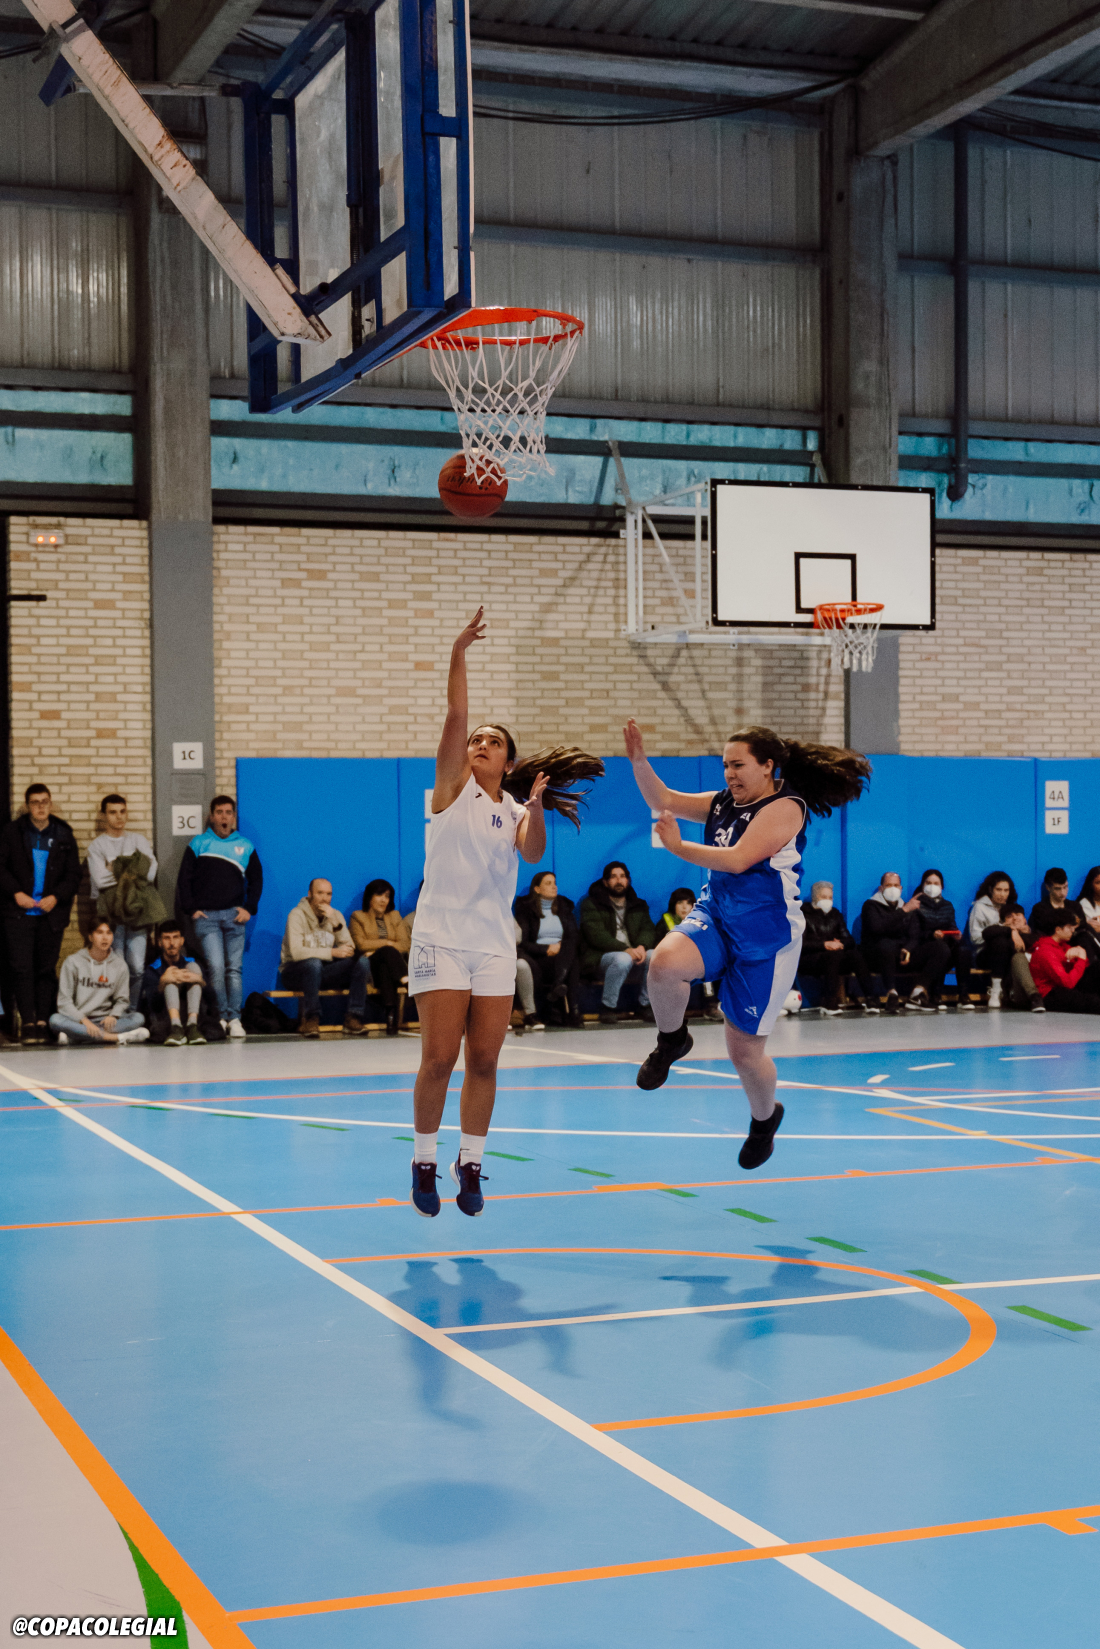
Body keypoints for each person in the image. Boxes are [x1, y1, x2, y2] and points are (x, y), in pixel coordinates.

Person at [408, 606, 602, 1219]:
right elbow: (455, 714)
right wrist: (458, 651)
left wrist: (537, 808)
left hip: (493, 943)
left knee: (486, 1059)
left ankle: (469, 1163)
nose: (480, 744)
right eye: (477, 740)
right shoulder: (450, 789)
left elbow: (534, 851)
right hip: (440, 938)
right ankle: (423, 1160)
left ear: (510, 763)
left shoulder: (517, 810)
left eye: (493, 742)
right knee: (439, 1059)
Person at [624, 719, 870, 1169]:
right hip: (718, 916)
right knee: (664, 963)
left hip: (766, 939)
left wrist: (678, 848)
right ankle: (671, 1041)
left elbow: (738, 860)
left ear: (767, 766)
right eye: (725, 765)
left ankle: (764, 1120)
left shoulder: (786, 807)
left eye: (738, 765)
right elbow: (663, 800)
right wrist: (639, 761)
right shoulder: (722, 802)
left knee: (744, 1054)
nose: (729, 774)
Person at [0, 783, 81, 1043]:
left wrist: (56, 897)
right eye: (35, 802)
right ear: (27, 806)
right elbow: (1, 868)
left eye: (44, 801)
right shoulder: (12, 832)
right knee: (21, 968)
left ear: (51, 803)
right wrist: (16, 893)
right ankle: (28, 1022)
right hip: (18, 913)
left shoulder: (63, 833)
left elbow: (73, 874)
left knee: (46, 969)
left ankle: (44, 1021)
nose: (40, 807)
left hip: (51, 914)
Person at [177, 796, 262, 1040]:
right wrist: (191, 909)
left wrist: (249, 908)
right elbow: (184, 879)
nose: (224, 817)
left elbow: (257, 880)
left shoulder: (245, 846)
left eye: (228, 812)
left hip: (235, 917)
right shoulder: (199, 843)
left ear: (234, 816)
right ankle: (220, 1017)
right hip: (207, 918)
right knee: (215, 967)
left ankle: (234, 1018)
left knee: (234, 969)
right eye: (219, 812)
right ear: (212, 816)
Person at [87, 794, 161, 1008]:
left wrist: (115, 867)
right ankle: (116, 1012)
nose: (119, 817)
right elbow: (100, 880)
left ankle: (132, 1011)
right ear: (104, 816)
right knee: (116, 966)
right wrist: (134, 869)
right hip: (111, 913)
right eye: (113, 812)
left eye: (122, 811)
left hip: (138, 910)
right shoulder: (97, 846)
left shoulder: (138, 840)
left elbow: (151, 872)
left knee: (136, 967)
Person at [281, 878, 372, 1038]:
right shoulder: (296, 915)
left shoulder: (335, 915)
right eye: (320, 893)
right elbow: (296, 953)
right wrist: (331, 952)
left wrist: (335, 923)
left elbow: (350, 949)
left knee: (361, 962)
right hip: (294, 973)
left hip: (323, 972)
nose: (324, 898)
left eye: (328, 894)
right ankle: (311, 1019)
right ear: (310, 894)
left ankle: (353, 1016)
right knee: (313, 964)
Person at [578, 862, 659, 1025]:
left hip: (634, 954)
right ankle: (608, 1007)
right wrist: (626, 949)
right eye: (614, 877)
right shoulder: (591, 904)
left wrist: (642, 946)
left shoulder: (638, 904)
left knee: (655, 956)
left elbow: (648, 929)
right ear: (605, 882)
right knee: (622, 959)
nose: (619, 881)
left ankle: (645, 1005)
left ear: (628, 880)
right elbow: (596, 935)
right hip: (601, 957)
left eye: (622, 876)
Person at [49, 917, 149, 1045]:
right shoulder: (73, 962)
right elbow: (64, 1002)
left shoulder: (119, 965)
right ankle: (115, 1038)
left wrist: (113, 1015)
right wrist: (85, 1021)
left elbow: (122, 999)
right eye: (99, 932)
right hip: (79, 1020)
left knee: (138, 1018)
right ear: (90, 937)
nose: (105, 938)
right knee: (55, 1020)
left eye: (109, 933)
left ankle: (77, 1036)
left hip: (105, 1021)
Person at [514, 870, 582, 1028]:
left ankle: (558, 986)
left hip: (562, 956)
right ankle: (573, 1011)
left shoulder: (564, 908)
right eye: (548, 883)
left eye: (555, 883)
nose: (554, 887)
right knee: (572, 963)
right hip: (539, 958)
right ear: (537, 889)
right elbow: (523, 943)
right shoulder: (526, 910)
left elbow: (573, 936)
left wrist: (560, 947)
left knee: (570, 950)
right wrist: (546, 949)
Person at [799, 880, 880, 1013]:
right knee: (832, 956)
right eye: (823, 897)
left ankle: (872, 998)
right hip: (811, 959)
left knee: (855, 955)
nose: (828, 900)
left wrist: (841, 944)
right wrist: (825, 944)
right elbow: (802, 943)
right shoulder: (804, 914)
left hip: (835, 956)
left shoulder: (835, 914)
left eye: (830, 897)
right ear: (815, 897)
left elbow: (849, 940)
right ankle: (829, 1002)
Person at [139, 921, 226, 1045]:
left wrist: (200, 981)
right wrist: (162, 983)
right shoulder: (153, 969)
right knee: (170, 980)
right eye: (167, 938)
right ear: (160, 942)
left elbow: (212, 1000)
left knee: (193, 967)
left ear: (182, 940)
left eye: (175, 937)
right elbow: (153, 1007)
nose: (172, 943)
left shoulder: (193, 962)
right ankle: (176, 1028)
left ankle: (192, 1026)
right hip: (167, 1020)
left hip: (194, 1016)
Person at [904, 869, 974, 1011]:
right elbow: (913, 934)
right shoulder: (915, 904)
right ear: (922, 885)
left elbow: (952, 926)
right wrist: (932, 934)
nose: (932, 886)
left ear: (942, 886)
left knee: (963, 949)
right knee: (941, 948)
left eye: (936, 883)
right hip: (924, 949)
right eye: (928, 883)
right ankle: (935, 994)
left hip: (944, 945)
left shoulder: (947, 905)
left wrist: (955, 934)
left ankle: (963, 995)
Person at [349, 879, 410, 1037]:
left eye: (387, 896)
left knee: (385, 966)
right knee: (387, 952)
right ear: (370, 897)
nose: (383, 900)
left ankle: (391, 1018)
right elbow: (361, 944)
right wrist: (387, 943)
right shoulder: (358, 917)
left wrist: (378, 948)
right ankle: (406, 980)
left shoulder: (395, 916)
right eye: (379, 895)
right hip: (369, 968)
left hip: (388, 968)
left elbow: (405, 944)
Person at [662, 888, 722, 1019]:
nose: (684, 907)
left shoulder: (699, 923)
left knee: (712, 965)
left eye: (688, 903)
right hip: (673, 962)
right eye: (680, 903)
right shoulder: (665, 921)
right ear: (673, 905)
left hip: (696, 961)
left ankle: (711, 1006)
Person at [859, 872, 912, 1013]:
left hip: (901, 954)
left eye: (896, 885)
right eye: (888, 885)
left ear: (901, 888)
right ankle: (892, 993)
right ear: (881, 888)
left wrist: (907, 948)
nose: (893, 889)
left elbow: (913, 933)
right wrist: (903, 912)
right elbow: (877, 928)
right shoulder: (870, 905)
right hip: (877, 955)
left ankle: (920, 993)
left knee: (938, 949)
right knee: (886, 945)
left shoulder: (905, 906)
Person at [1029, 908, 1100, 1013]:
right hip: (1050, 992)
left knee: (1097, 967)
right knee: (1093, 1002)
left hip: (1067, 986)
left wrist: (1081, 952)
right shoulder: (1045, 951)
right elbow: (1067, 983)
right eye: (1069, 927)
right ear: (1058, 929)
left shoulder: (1063, 945)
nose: (1073, 931)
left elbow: (1084, 968)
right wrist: (1081, 958)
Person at [967, 871, 1019, 1008]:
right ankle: (995, 990)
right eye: (999, 890)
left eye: (1006, 890)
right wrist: (1001, 930)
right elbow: (975, 938)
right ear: (990, 890)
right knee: (999, 942)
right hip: (984, 954)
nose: (1002, 894)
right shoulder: (979, 907)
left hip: (1009, 950)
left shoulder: (1012, 909)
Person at [998, 904, 1045, 1012]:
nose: (1014, 918)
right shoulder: (1003, 939)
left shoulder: (1040, 936)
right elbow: (987, 932)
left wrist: (1023, 933)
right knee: (1019, 957)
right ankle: (1034, 996)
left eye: (1018, 914)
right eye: (1009, 916)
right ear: (1004, 922)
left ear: (1025, 919)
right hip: (1019, 991)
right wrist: (1012, 931)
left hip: (1045, 987)